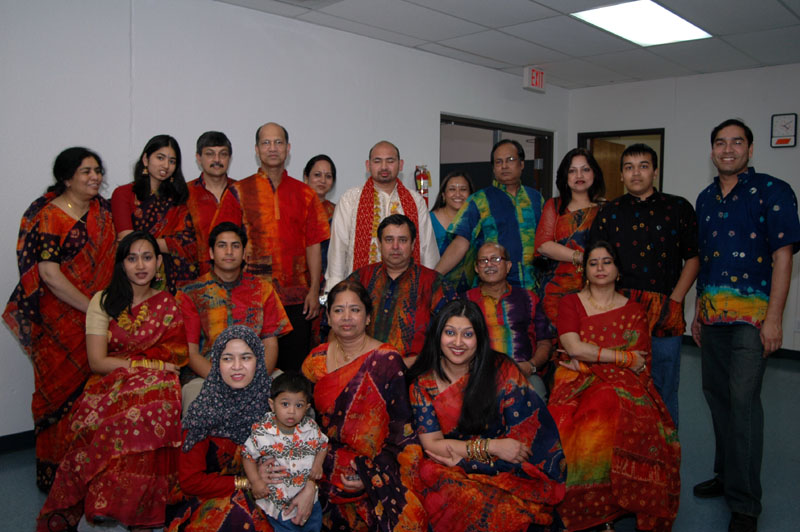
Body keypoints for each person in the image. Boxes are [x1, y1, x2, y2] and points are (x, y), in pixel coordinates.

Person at [38, 231, 188, 531]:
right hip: (109, 379)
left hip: (159, 381)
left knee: (152, 409)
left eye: (147, 257)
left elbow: (176, 357)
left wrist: (153, 370)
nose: (140, 266)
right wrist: (146, 365)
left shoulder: (169, 304)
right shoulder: (103, 301)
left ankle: (138, 508)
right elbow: (97, 361)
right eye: (132, 258)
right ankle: (110, 499)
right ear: (121, 264)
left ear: (159, 263)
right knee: (101, 419)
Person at [691, 119, 800, 532]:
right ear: (712, 151)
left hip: (751, 322)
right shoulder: (705, 198)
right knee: (718, 400)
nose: (728, 149)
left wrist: (774, 319)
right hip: (712, 317)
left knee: (743, 405)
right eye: (720, 143)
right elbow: (705, 260)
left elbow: (783, 258)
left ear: (750, 149)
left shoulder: (774, 191)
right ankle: (726, 475)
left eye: (737, 142)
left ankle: (745, 504)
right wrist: (698, 313)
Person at [3, 147, 117, 491]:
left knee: (97, 392)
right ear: (67, 178)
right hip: (59, 323)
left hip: (100, 314)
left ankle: (89, 471)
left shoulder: (103, 212)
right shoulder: (51, 216)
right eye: (86, 171)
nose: (95, 177)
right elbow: (49, 275)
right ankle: (55, 475)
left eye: (97, 170)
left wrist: (104, 309)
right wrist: (93, 308)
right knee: (56, 394)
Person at [548, 241, 680, 532]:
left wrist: (589, 360)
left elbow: (641, 362)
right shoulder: (571, 303)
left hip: (623, 384)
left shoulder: (633, 309)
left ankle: (608, 510)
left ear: (618, 271)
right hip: (575, 381)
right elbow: (573, 348)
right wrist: (620, 357)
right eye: (593, 263)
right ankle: (587, 510)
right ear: (584, 271)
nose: (600, 268)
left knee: (609, 406)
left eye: (607, 262)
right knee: (567, 421)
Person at [407, 299, 566, 532]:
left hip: (503, 466)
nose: (458, 342)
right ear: (437, 335)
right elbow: (432, 445)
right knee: (433, 476)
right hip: (452, 465)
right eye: (450, 333)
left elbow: (524, 439)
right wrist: (491, 447)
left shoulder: (501, 369)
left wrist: (485, 458)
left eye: (467, 334)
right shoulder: (423, 383)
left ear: (480, 338)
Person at [301, 279, 427, 531]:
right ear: (329, 317)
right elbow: (302, 421)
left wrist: (371, 476)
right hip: (322, 463)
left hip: (376, 462)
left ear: (368, 317)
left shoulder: (387, 360)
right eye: (338, 310)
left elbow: (401, 430)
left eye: (355, 310)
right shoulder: (315, 360)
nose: (346, 317)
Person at [168, 325, 318, 531]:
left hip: (275, 493)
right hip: (211, 499)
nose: (237, 366)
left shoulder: (278, 405)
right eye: (227, 358)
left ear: (259, 361)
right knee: (239, 518)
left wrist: (310, 487)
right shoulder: (203, 413)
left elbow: (309, 449)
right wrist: (248, 482)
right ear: (216, 363)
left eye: (246, 358)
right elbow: (191, 481)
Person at [589, 143, 698, 425]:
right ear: (621, 175)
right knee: (620, 385)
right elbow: (596, 263)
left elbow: (693, 258)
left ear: (655, 172)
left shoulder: (678, 208)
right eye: (629, 167)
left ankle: (666, 449)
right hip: (619, 311)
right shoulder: (609, 212)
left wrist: (675, 301)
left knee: (663, 385)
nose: (636, 173)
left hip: (666, 311)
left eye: (643, 166)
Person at [231, 122, 329, 371]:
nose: (272, 148)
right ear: (257, 149)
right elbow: (227, 245)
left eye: (278, 142)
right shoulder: (239, 191)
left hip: (297, 297)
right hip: (252, 297)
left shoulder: (305, 194)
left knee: (294, 371)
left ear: (288, 148)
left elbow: (313, 245)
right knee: (251, 368)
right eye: (266, 143)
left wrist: (314, 290)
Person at [177, 221, 292, 413]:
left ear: (244, 253)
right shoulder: (190, 293)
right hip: (207, 376)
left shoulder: (262, 289)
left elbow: (270, 344)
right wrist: (222, 380)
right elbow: (191, 353)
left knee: (291, 397)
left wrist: (256, 379)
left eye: (235, 246)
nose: (229, 251)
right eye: (222, 245)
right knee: (195, 402)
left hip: (257, 375)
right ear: (211, 253)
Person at [325, 140, 439, 290]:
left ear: (400, 164)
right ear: (368, 165)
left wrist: (429, 288)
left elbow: (427, 250)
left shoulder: (416, 201)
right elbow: (338, 249)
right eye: (377, 161)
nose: (384, 167)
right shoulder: (350, 199)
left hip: (407, 290)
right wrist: (334, 290)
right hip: (360, 290)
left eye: (390, 161)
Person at [436, 139, 543, 293]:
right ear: (493, 168)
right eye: (498, 162)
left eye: (510, 160)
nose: (504, 166)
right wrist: (433, 278)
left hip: (533, 289)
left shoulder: (536, 199)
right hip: (492, 291)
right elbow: (460, 243)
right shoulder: (479, 200)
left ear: (522, 164)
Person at [346, 214, 452, 361]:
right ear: (379, 243)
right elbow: (335, 324)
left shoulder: (434, 283)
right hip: (361, 367)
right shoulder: (361, 278)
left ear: (413, 244)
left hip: (415, 369)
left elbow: (453, 331)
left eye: (402, 240)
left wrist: (416, 363)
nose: (395, 246)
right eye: (389, 240)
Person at [111, 134, 198, 293]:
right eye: (160, 158)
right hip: (135, 274)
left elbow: (188, 242)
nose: (166, 165)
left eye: (172, 161)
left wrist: (144, 241)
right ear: (145, 159)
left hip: (173, 279)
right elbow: (126, 239)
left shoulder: (178, 199)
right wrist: (166, 244)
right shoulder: (124, 194)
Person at [242, 372, 328, 532]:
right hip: (277, 503)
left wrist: (317, 465)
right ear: (272, 404)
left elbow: (323, 444)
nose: (291, 411)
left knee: (313, 528)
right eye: (285, 404)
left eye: (299, 405)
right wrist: (256, 481)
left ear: (307, 407)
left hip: (309, 499)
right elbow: (247, 455)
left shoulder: (310, 428)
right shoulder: (263, 432)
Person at [466, 242, 552, 398]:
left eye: (496, 259)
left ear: (508, 266)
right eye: (483, 261)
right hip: (479, 377)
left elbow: (544, 342)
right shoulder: (466, 302)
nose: (489, 264)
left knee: (538, 396)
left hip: (523, 374)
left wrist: (531, 366)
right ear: (476, 268)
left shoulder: (528, 299)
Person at [535, 148, 604, 333]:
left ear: (594, 173)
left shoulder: (605, 210)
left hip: (595, 289)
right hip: (556, 290)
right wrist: (581, 258)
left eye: (585, 169)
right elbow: (543, 245)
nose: (579, 175)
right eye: (572, 170)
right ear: (565, 176)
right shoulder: (554, 206)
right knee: (556, 342)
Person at [186, 131, 243, 275]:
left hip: (236, 276)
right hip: (195, 276)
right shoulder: (185, 194)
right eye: (210, 154)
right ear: (198, 158)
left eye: (223, 154)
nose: (217, 159)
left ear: (229, 158)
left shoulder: (242, 191)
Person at [303, 154, 337, 285]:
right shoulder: (295, 209)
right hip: (297, 280)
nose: (323, 180)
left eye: (328, 176)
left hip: (329, 280)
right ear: (306, 177)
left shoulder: (338, 212)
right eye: (317, 175)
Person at [430, 171, 474, 255]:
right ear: (443, 195)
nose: (458, 194)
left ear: (470, 195)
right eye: (452, 189)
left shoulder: (477, 221)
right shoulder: (429, 220)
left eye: (463, 189)